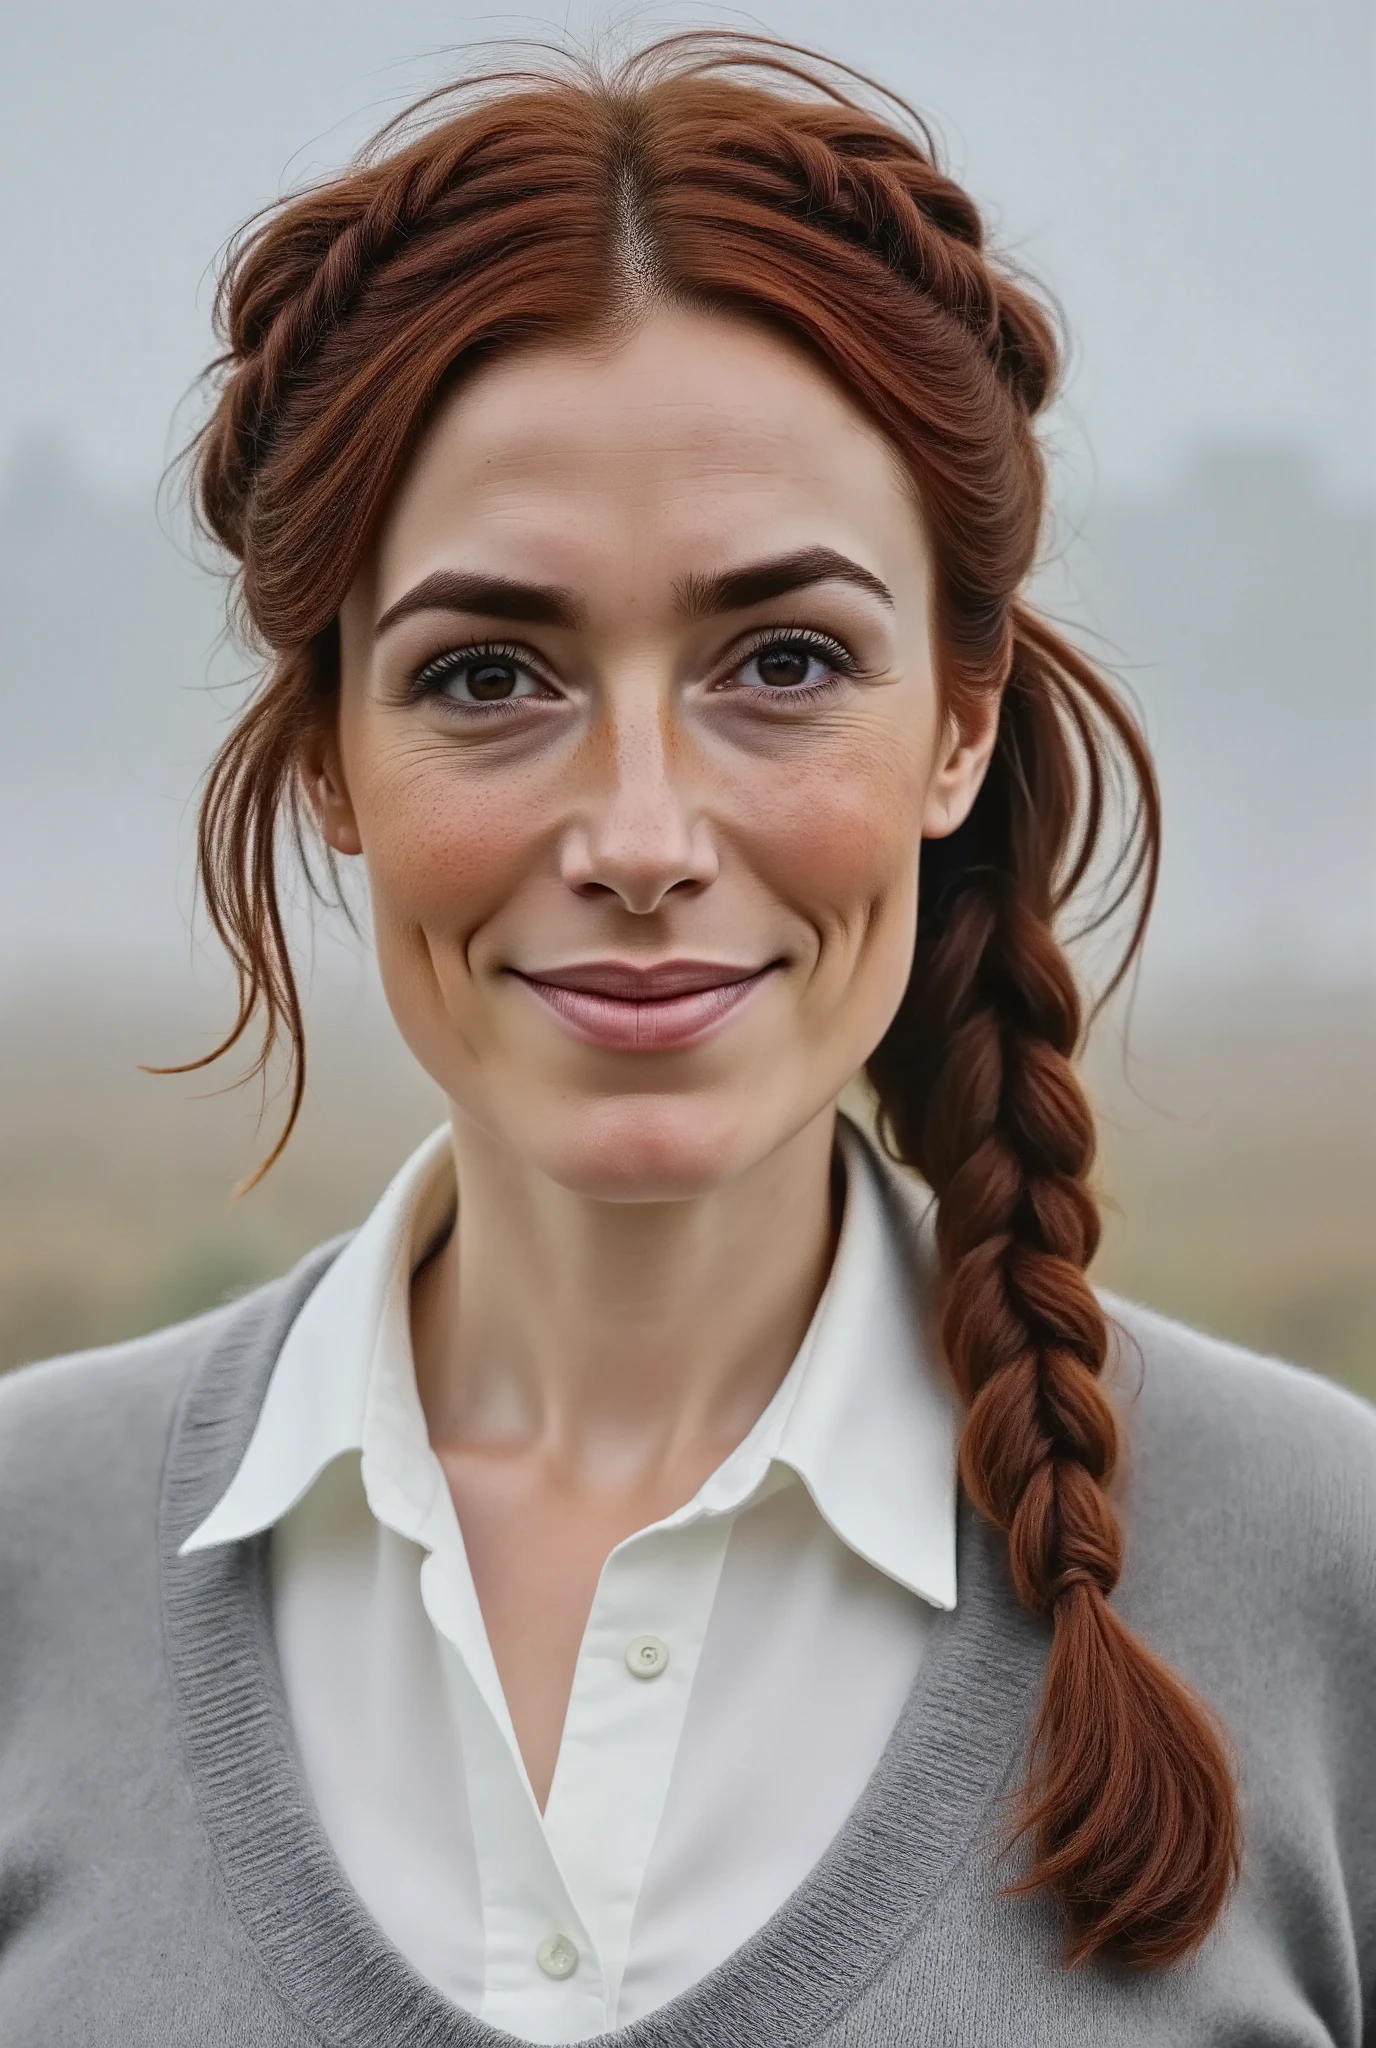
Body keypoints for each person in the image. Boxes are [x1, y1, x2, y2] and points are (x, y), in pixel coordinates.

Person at [1, 32, 1372, 2047]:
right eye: (487, 673)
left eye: (785, 661)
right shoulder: (27, 1563)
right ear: (327, 760)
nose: (640, 838)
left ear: (958, 725)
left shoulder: (1323, 1580)